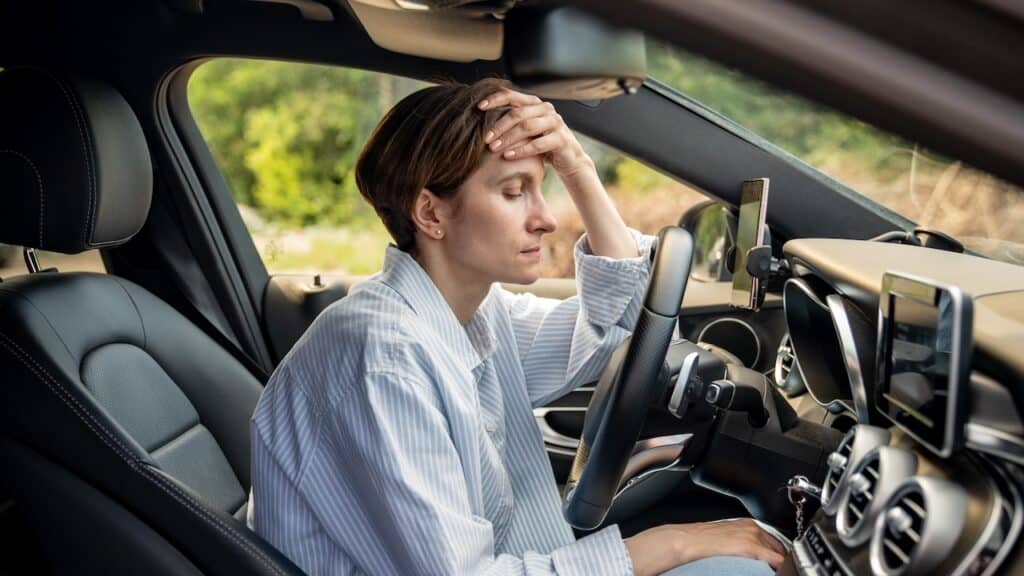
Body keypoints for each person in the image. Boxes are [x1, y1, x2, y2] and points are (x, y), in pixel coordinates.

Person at [249, 77, 785, 576]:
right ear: (431, 214)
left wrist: (579, 169)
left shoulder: (476, 314)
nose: (546, 218)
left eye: (542, 188)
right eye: (513, 192)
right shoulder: (380, 359)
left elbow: (614, 326)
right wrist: (669, 544)